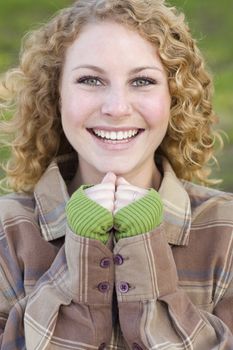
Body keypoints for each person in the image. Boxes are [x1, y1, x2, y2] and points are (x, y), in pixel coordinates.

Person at [0, 0, 232, 348]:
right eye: (90, 79)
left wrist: (144, 253)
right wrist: (81, 252)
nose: (117, 108)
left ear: (175, 96)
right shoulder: (6, 230)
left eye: (142, 80)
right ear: (56, 95)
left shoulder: (226, 230)